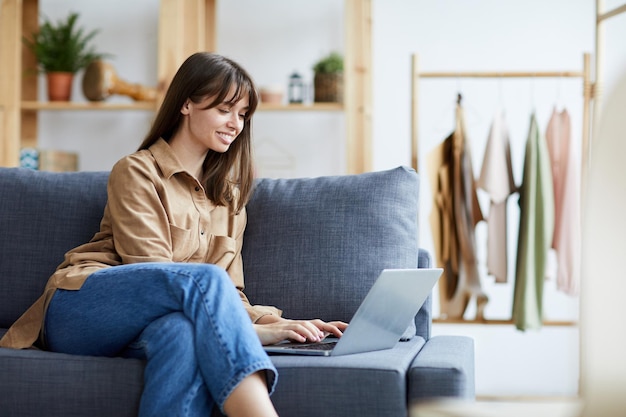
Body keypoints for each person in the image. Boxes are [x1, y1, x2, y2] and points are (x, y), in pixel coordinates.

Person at [0, 52, 347, 417]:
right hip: (83, 308)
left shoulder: (229, 200)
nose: (236, 124)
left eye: (243, 114)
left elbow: (228, 294)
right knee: (200, 286)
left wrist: (280, 323)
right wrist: (247, 332)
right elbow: (155, 272)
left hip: (163, 320)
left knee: (182, 334)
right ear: (186, 103)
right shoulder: (137, 171)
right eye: (225, 109)